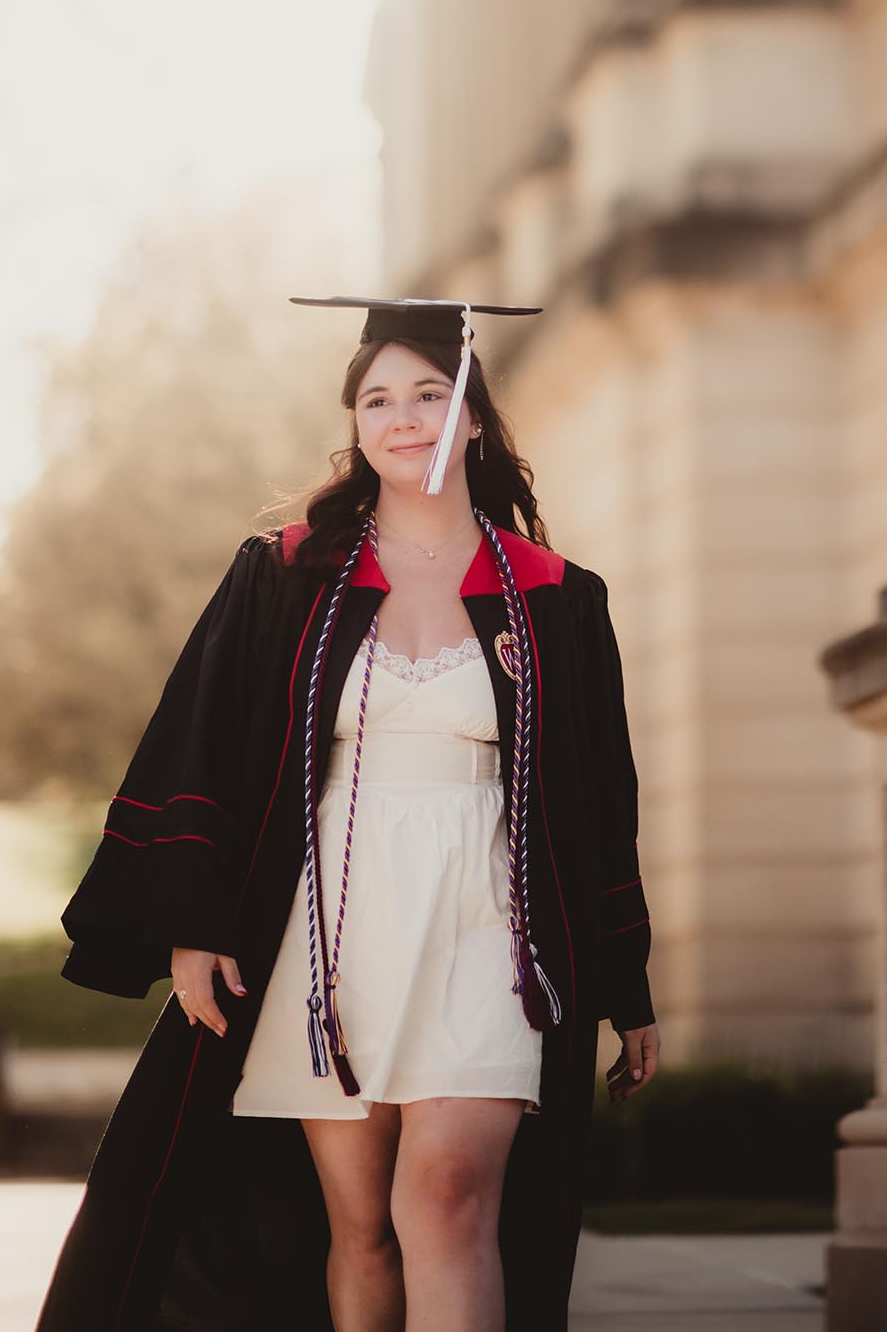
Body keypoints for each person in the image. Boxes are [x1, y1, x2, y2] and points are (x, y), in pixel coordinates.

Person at [35, 295, 660, 1332]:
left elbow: (602, 802)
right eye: (378, 398)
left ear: (472, 417)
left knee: (448, 1199)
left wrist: (625, 977)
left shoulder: (556, 599)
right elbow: (204, 740)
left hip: (489, 925)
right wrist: (194, 923)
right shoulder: (287, 580)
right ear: (356, 425)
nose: (404, 416)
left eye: (428, 392)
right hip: (329, 923)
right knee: (362, 1231)